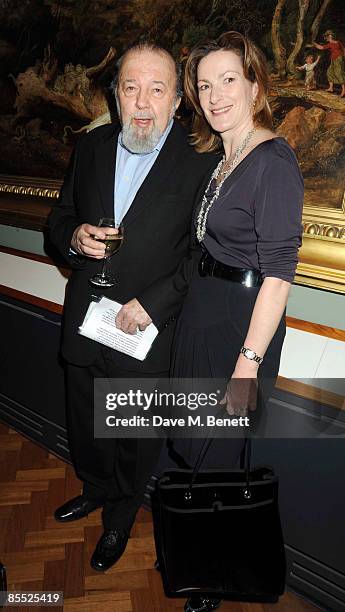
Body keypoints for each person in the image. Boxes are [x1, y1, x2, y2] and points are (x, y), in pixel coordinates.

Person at [48, 41, 216, 572]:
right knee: (87, 423)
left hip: (148, 331)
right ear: (115, 95)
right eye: (130, 87)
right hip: (86, 320)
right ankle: (95, 490)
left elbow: (205, 253)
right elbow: (59, 223)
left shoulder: (201, 160)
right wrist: (74, 237)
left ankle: (119, 518)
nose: (142, 101)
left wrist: (154, 302)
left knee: (132, 436)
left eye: (157, 88)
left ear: (176, 101)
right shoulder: (92, 146)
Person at [170, 31, 304, 612]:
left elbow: (278, 274)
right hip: (204, 315)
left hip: (237, 331)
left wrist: (246, 366)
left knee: (218, 452)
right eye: (204, 84)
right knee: (195, 446)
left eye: (229, 79)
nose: (216, 93)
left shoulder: (272, 160)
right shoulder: (225, 155)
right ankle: (195, 550)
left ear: (255, 84)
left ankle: (210, 575)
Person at [312, 30, 345, 97]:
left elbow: (344, 49)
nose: (326, 38)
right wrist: (315, 44)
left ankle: (344, 90)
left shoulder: (338, 42)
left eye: (327, 36)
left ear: (330, 36)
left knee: (339, 73)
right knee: (329, 72)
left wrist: (314, 43)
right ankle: (331, 88)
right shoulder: (330, 44)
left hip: (338, 59)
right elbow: (321, 47)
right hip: (333, 59)